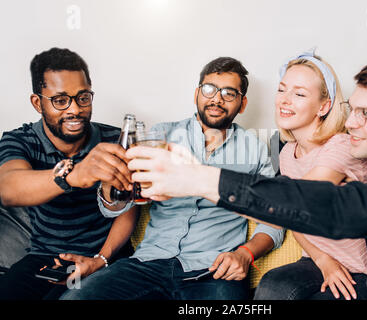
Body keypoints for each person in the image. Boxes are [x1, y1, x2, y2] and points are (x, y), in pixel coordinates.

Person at [126, 58, 367, 299]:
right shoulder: (293, 153)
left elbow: (318, 202)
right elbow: (297, 211)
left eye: (366, 114)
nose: (350, 122)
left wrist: (198, 180)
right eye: (353, 109)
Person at [60, 57, 284, 300]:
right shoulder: (159, 136)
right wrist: (111, 187)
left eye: (229, 93)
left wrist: (245, 254)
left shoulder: (257, 151)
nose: (217, 98)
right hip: (146, 264)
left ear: (242, 104)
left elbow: (272, 219)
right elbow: (119, 205)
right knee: (74, 299)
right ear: (197, 93)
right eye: (209, 89)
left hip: (212, 271)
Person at [249, 51, 367, 300]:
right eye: (282, 90)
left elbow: (298, 200)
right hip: (319, 261)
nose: (285, 100)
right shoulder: (286, 153)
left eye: (299, 94)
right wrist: (324, 261)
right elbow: (294, 220)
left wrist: (210, 187)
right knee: (271, 287)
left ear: (323, 106)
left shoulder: (343, 145)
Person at [0, 48, 137, 300]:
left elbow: (127, 209)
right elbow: (8, 188)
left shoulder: (115, 139)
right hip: (44, 258)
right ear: (37, 102)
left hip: (105, 259)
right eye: (60, 100)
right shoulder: (20, 140)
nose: (74, 109)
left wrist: (101, 259)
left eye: (83, 97)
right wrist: (71, 176)